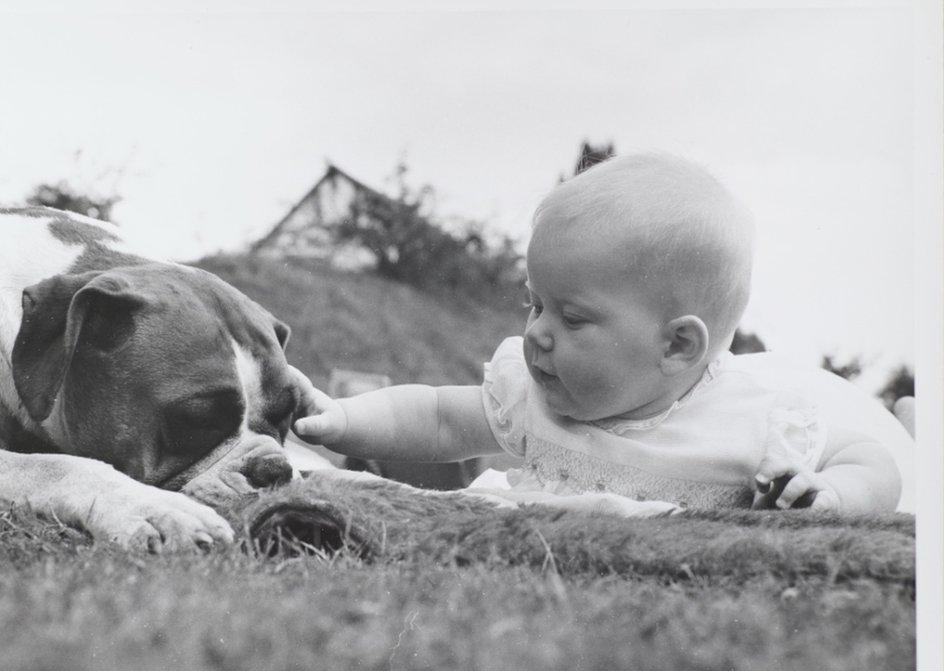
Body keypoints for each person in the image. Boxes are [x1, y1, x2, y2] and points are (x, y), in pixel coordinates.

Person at [293, 152, 902, 516]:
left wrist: (833, 495)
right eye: (535, 306)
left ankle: (915, 416)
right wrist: (341, 419)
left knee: (904, 438)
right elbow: (435, 415)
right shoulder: (532, 399)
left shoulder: (752, 422)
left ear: (676, 346)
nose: (537, 335)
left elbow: (870, 459)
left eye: (572, 318)